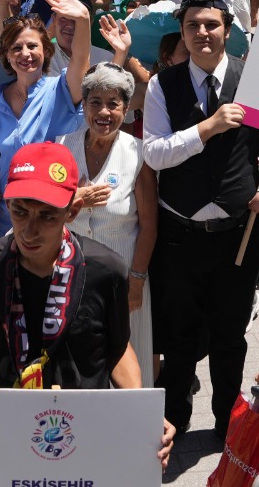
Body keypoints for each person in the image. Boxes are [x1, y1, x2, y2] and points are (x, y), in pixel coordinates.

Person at [0, 142, 174, 475]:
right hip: (7, 432)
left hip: (87, 434)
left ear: (73, 211)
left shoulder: (107, 270)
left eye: (47, 216)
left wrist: (143, 415)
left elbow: (117, 349)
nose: (29, 230)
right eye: (20, 211)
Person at [143, 0, 259, 438]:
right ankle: (174, 421)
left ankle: (227, 423)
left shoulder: (256, 81)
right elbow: (154, 154)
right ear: (183, 33)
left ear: (228, 31)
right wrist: (205, 129)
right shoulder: (161, 85)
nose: (202, 33)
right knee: (179, 337)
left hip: (238, 233)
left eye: (211, 24)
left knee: (230, 336)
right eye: (193, 25)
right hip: (180, 235)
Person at [59, 61, 158, 382]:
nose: (104, 112)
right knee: (76, 360)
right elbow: (45, 215)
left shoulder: (139, 153)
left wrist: (137, 281)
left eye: (113, 103)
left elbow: (149, 225)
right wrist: (76, 200)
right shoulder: (63, 147)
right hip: (71, 274)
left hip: (123, 277)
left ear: (126, 108)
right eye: (95, 102)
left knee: (125, 359)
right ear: (84, 105)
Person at [0, 0, 91, 233]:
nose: (25, 54)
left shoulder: (62, 89)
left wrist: (83, 20)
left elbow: (81, 59)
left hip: (52, 218)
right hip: (6, 221)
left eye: (33, 46)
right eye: (17, 48)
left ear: (46, 51)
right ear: (7, 56)